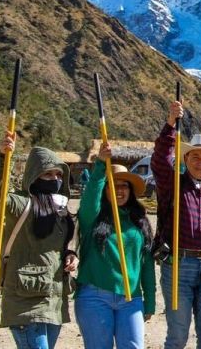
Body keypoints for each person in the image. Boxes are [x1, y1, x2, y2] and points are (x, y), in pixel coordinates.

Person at [151, 101, 201, 349]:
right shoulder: (172, 184)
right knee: (177, 335)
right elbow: (160, 161)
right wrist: (170, 125)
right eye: (195, 156)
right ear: (185, 158)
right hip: (178, 265)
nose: (200, 162)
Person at [0, 132, 77, 349]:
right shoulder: (21, 204)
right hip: (24, 300)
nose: (54, 179)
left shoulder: (62, 209)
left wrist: (72, 256)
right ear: (34, 176)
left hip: (54, 299)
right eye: (48, 175)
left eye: (58, 175)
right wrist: (3, 159)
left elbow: (64, 245)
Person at [75, 143, 156, 348]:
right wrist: (101, 164)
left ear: (130, 190)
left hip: (131, 299)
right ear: (105, 189)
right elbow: (91, 194)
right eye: (113, 185)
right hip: (94, 296)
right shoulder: (91, 217)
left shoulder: (139, 221)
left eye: (124, 185)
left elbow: (146, 264)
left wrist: (150, 300)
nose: (119, 190)